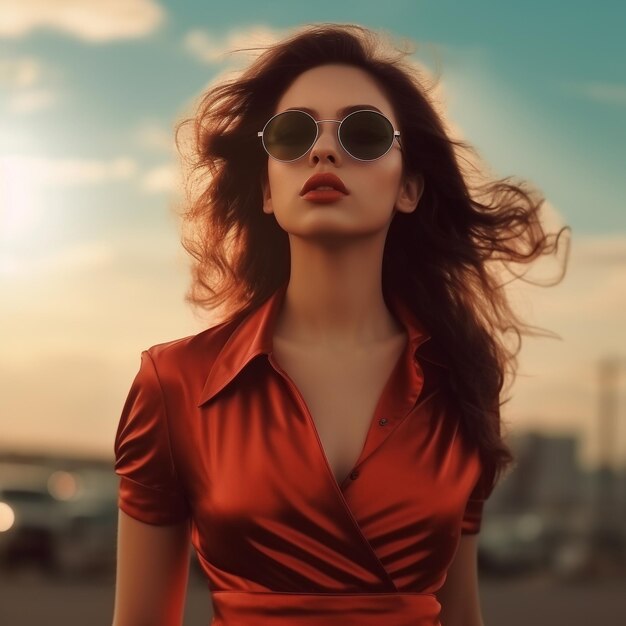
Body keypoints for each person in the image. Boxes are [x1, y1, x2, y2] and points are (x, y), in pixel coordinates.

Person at [111, 23, 570, 626]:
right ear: (268, 192)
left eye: (364, 134)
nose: (323, 152)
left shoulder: (461, 379)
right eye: (294, 133)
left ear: (408, 187)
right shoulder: (174, 384)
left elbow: (460, 614)